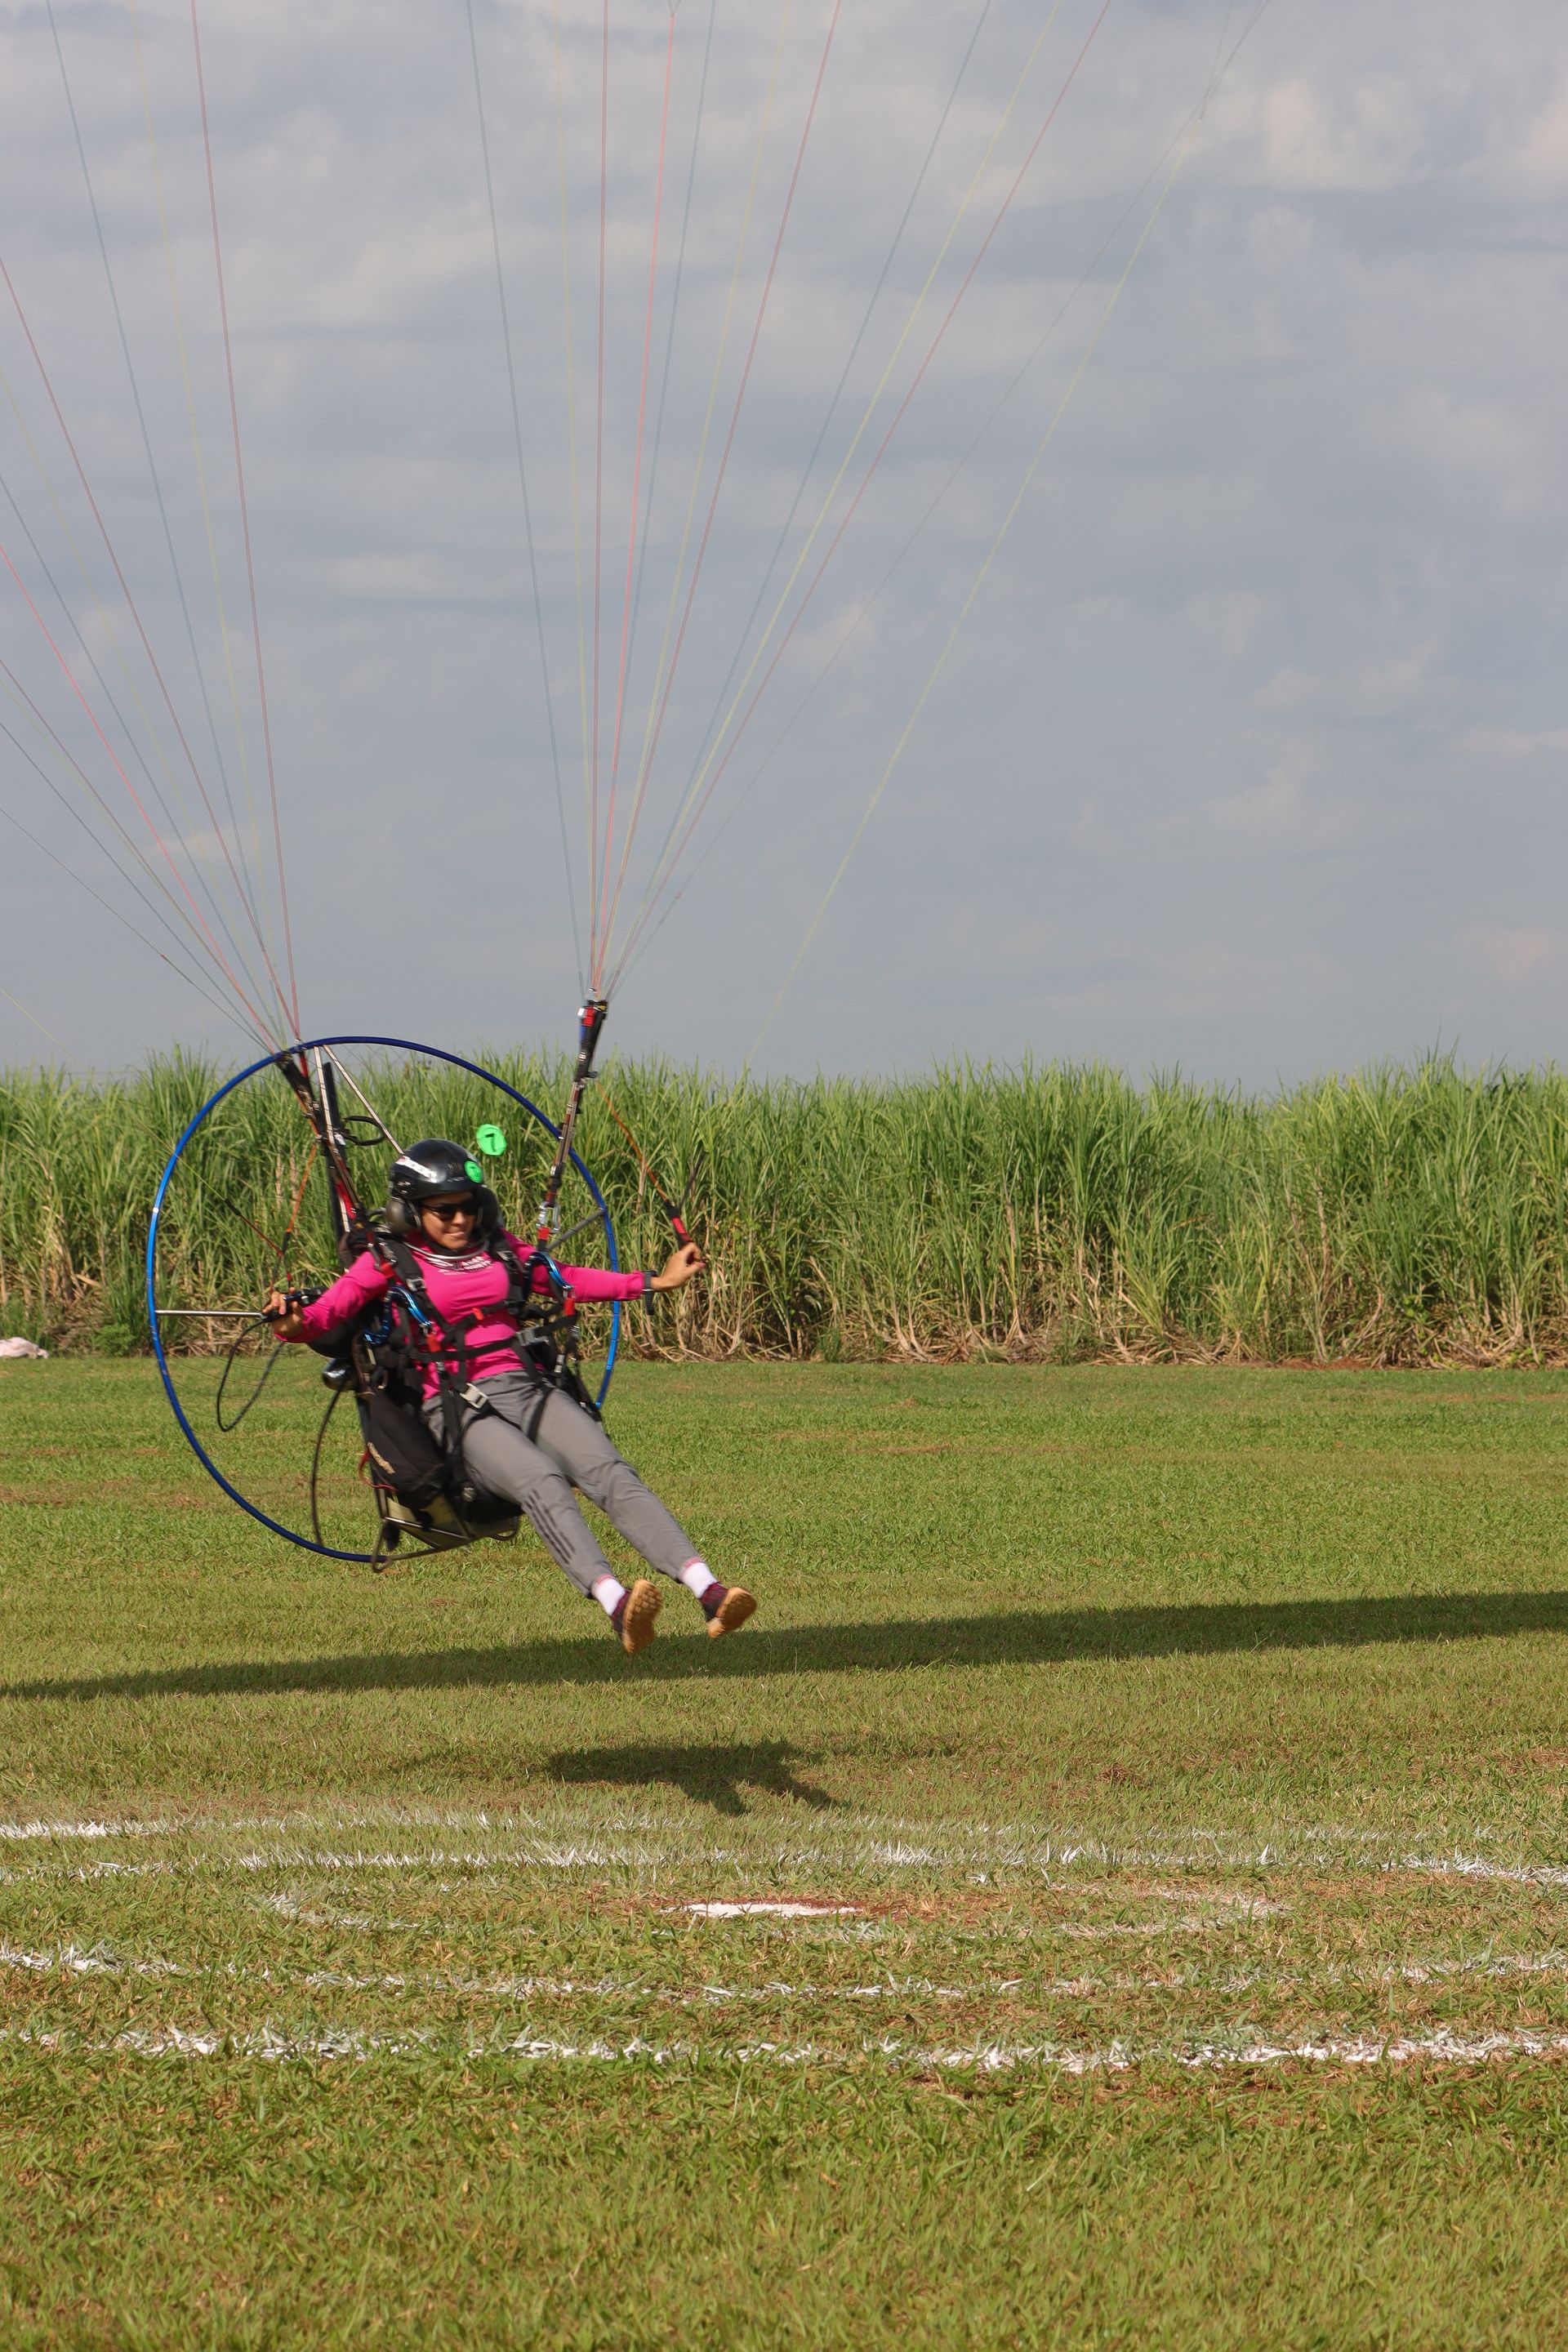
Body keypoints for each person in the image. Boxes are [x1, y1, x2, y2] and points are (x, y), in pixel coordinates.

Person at [268, 1138, 755, 1656]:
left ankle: (710, 1590)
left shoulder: (498, 1246)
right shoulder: (387, 1261)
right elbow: (324, 1314)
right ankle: (616, 1603)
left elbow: (566, 1280)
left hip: (526, 1386)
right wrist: (290, 1320)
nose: (459, 1220)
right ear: (410, 1211)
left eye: (468, 1206)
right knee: (541, 1481)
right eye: (444, 1211)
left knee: (609, 1470)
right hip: (455, 1407)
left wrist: (655, 1280)